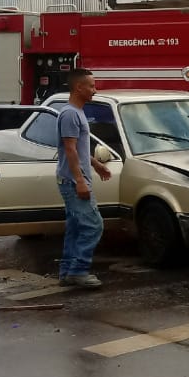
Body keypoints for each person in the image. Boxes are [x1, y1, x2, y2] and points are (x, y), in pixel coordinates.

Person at [56, 68, 113, 288]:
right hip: (72, 181)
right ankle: (78, 271)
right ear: (79, 87)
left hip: (74, 179)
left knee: (76, 227)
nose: (95, 90)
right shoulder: (70, 114)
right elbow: (69, 150)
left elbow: (78, 148)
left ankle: (67, 272)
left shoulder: (76, 112)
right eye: (91, 86)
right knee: (93, 226)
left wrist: (97, 165)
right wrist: (80, 180)